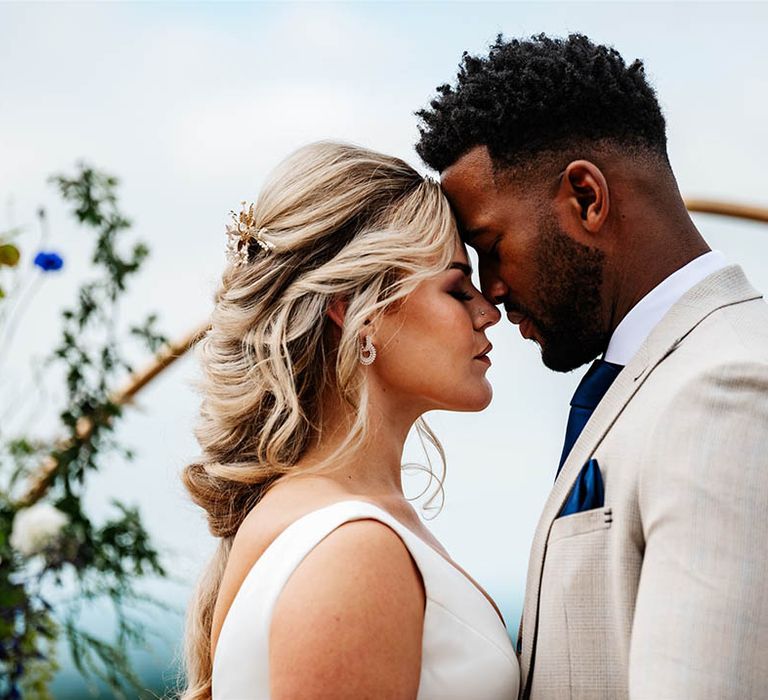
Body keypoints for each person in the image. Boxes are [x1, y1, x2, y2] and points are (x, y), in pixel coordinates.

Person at [416, 33, 768, 699]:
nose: (489, 289)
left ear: (585, 197)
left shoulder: (728, 388)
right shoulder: (650, 380)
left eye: (491, 245)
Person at [180, 142, 520, 699]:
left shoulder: (336, 521)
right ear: (354, 308)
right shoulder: (351, 549)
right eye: (457, 287)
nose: (488, 312)